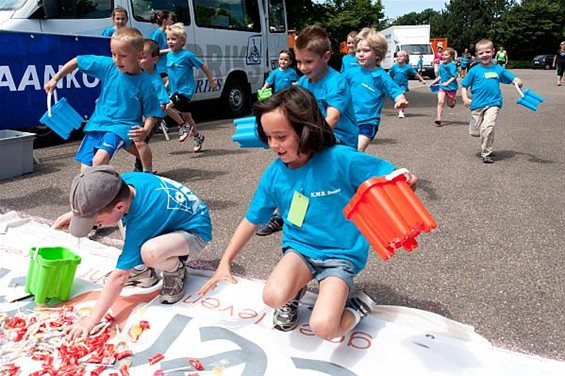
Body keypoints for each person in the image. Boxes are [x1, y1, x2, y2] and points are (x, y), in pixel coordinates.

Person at [197, 86, 418, 340]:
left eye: (281, 136)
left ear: (306, 129)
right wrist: (224, 263)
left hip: (340, 255)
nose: (273, 145)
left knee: (325, 329)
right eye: (268, 136)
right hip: (300, 249)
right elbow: (252, 220)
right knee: (272, 296)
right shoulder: (274, 174)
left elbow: (394, 176)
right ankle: (295, 291)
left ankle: (356, 307)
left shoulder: (341, 159)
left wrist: (410, 180)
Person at [54, 165, 212, 339]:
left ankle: (175, 269)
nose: (96, 226)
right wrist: (78, 213)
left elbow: (119, 277)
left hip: (193, 231)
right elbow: (103, 200)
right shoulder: (121, 185)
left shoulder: (143, 217)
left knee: (150, 252)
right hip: (166, 219)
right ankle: (142, 271)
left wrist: (90, 320)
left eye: (97, 222)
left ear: (120, 206)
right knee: (127, 226)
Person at [44, 27, 162, 172]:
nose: (116, 60)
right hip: (97, 123)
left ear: (139, 56)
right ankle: (124, 181)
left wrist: (145, 130)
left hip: (122, 125)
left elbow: (152, 112)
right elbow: (77, 61)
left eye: (122, 55)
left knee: (99, 161)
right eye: (113, 54)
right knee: (85, 171)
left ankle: (145, 175)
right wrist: (55, 79)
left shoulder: (146, 84)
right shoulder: (109, 66)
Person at [133, 39, 194, 172]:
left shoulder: (155, 81)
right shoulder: (138, 74)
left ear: (154, 60)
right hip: (141, 116)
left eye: (142, 57)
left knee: (140, 140)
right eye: (137, 57)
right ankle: (143, 167)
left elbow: (164, 103)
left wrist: (149, 114)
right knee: (136, 141)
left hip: (153, 118)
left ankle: (143, 169)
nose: (138, 60)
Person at [294, 25, 359, 149]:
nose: (302, 67)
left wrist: (309, 138)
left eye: (308, 62)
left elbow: (333, 117)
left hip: (340, 137)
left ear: (326, 57)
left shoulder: (336, 82)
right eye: (298, 61)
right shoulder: (303, 81)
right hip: (317, 132)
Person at [344, 28, 407, 152]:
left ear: (377, 54)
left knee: (355, 152)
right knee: (344, 154)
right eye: (358, 51)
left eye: (366, 50)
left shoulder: (381, 76)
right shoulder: (350, 73)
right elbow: (337, 88)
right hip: (348, 121)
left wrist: (401, 100)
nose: (361, 54)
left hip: (367, 123)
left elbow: (396, 92)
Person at [461, 39, 523, 164]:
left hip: (494, 103)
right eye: (481, 53)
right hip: (477, 104)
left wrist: (518, 81)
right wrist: (465, 98)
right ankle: (485, 137)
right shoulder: (474, 70)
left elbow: (512, 78)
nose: (485, 55)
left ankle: (486, 153)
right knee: (476, 131)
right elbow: (464, 86)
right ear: (477, 55)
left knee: (488, 127)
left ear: (493, 52)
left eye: (488, 52)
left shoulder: (498, 69)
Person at [166, 22, 218, 151]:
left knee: (166, 107)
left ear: (182, 41)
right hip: (174, 90)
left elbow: (203, 66)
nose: (170, 42)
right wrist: (166, 85)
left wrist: (211, 80)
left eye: (173, 39)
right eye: (168, 39)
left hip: (184, 90)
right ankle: (197, 136)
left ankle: (183, 126)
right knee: (187, 116)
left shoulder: (187, 55)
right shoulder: (169, 55)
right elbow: (171, 73)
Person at [388, 50, 425, 119]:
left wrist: (422, 80)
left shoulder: (408, 67)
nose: (399, 58)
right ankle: (400, 108)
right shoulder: (394, 67)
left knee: (402, 96)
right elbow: (389, 75)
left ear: (405, 58)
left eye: (401, 56)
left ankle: (401, 112)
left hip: (403, 85)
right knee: (397, 99)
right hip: (395, 85)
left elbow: (416, 74)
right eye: (397, 56)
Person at [429, 47, 458, 126]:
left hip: (451, 87)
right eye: (443, 55)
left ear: (451, 57)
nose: (443, 56)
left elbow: (454, 76)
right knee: (440, 102)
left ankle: (453, 101)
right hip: (442, 87)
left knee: (450, 104)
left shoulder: (452, 66)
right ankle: (438, 118)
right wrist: (433, 82)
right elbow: (440, 76)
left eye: (446, 55)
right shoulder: (441, 66)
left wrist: (447, 83)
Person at [150, 10, 174, 81]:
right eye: (170, 19)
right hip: (159, 68)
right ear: (164, 20)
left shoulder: (166, 33)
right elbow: (153, 51)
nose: (172, 21)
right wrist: (169, 50)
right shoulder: (157, 33)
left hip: (166, 67)